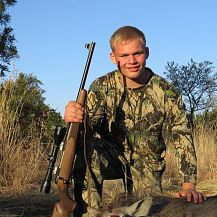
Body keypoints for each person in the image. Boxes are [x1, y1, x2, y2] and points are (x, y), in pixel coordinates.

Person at [64, 25, 206, 206]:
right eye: (124, 55)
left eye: (137, 53)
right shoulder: (101, 87)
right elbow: (87, 129)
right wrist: (73, 117)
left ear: (147, 52)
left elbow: (182, 135)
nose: (131, 61)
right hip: (111, 156)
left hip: (148, 164)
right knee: (84, 149)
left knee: (150, 214)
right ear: (113, 57)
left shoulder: (166, 91)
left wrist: (189, 187)